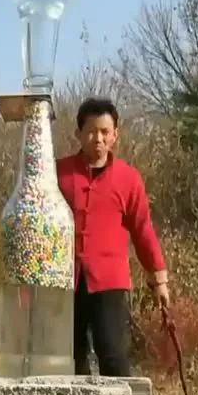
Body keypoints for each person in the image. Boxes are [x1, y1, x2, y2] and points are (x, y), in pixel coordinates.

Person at [56, 97, 169, 377]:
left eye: (105, 132)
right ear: (78, 133)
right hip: (62, 280)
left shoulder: (128, 179)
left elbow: (143, 230)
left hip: (110, 281)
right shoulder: (59, 173)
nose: (98, 139)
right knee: (68, 355)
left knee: (113, 353)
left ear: (115, 135)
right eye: (91, 131)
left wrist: (159, 280)